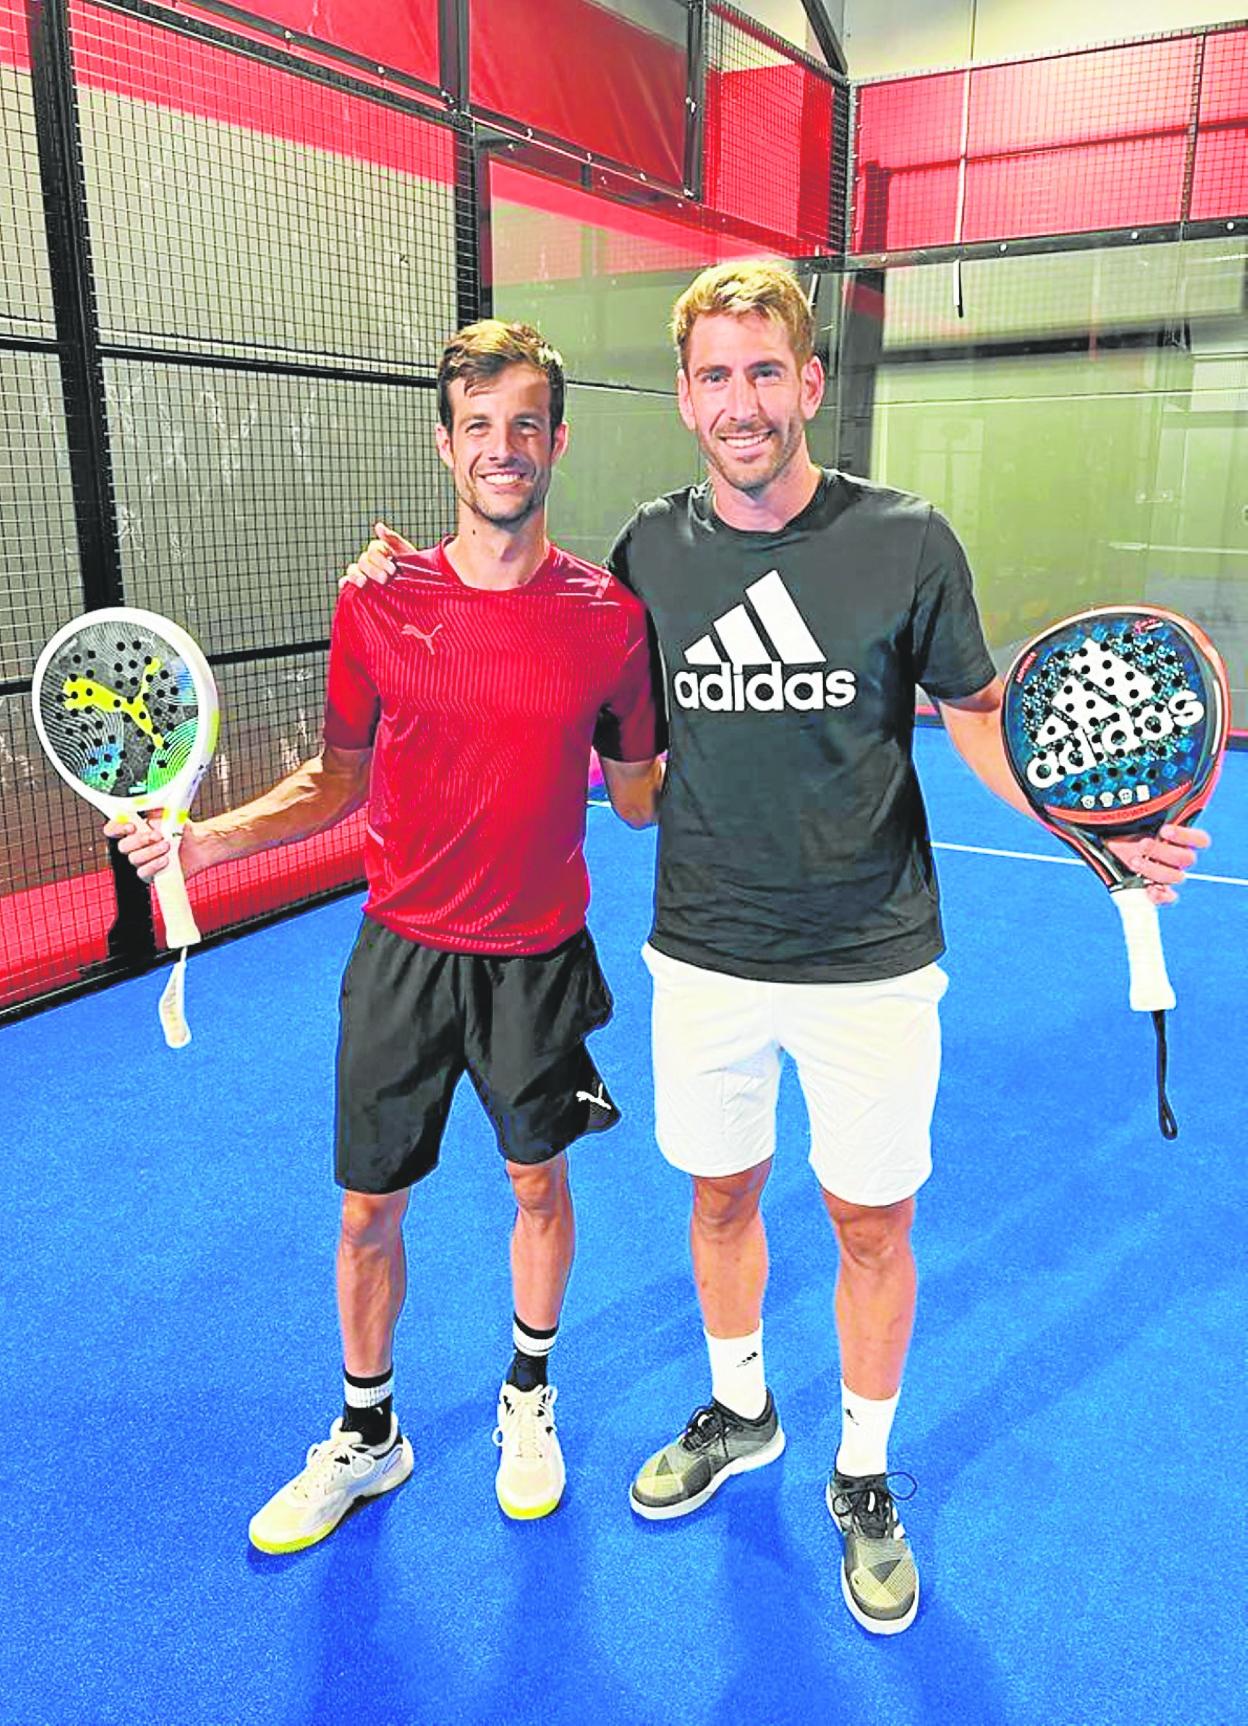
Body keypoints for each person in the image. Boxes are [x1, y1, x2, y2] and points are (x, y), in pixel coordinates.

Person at [343, 263, 1207, 1634]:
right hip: (704, 951)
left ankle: (863, 1470)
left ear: (807, 385)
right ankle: (742, 1408)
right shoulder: (649, 553)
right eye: (714, 377)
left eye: (764, 373)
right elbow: (533, 612)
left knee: (871, 1221)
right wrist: (398, 580)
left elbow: (978, 709)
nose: (740, 403)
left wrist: (1082, 826)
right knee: (720, 1199)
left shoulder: (906, 539)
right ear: (685, 397)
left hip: (871, 954)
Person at [109, 320, 664, 1553]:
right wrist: (201, 841)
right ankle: (370, 1432)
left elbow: (640, 795)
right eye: (478, 426)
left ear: (557, 440)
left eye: (525, 423)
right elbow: (333, 779)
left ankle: (529, 1394)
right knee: (367, 1212)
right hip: (401, 954)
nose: (503, 448)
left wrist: (769, 756)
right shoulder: (377, 601)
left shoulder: (610, 619)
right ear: (445, 444)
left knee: (538, 1180)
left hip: (536, 959)